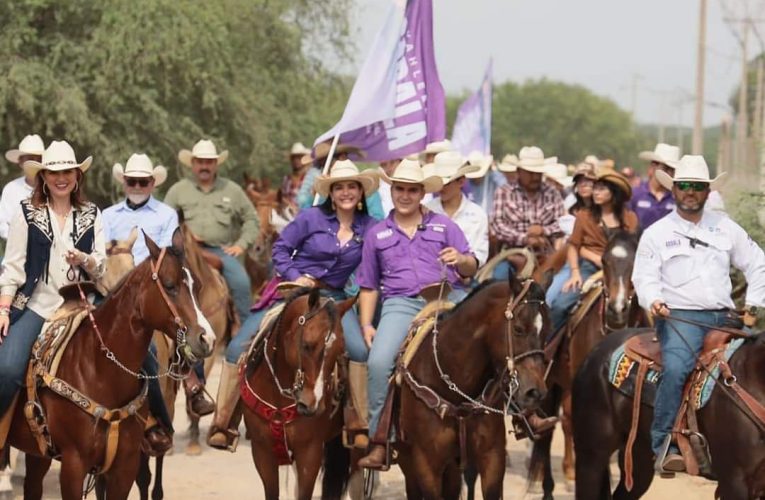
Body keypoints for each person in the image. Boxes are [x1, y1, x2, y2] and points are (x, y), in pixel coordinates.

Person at [207, 160, 379, 450]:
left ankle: (357, 422)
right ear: (331, 192)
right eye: (340, 187)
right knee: (237, 347)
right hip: (291, 292)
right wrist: (297, 277)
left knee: (359, 350)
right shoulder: (311, 218)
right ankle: (224, 421)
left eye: (352, 187)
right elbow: (281, 249)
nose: (346, 192)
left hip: (334, 298)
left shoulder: (371, 228)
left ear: (361, 192)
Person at [632, 155, 765, 474]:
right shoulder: (656, 233)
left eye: (697, 186)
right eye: (684, 186)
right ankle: (665, 443)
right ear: (675, 190)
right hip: (679, 318)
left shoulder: (726, 228)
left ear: (707, 192)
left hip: (726, 316)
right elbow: (643, 276)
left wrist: (754, 304)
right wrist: (654, 299)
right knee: (677, 369)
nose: (690, 192)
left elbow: (758, 263)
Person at [355, 159, 478, 468]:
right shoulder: (377, 234)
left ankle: (506, 418)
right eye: (400, 189)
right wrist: (367, 323)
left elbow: (471, 267)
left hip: (449, 297)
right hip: (402, 303)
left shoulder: (444, 225)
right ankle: (382, 439)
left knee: (489, 343)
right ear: (392, 190)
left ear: (423, 193)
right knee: (380, 361)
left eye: (412, 190)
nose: (405, 195)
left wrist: (460, 259)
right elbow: (368, 285)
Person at [0, 141, 105, 420]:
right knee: (8, 368)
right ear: (43, 177)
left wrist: (84, 259)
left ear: (77, 176)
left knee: (146, 352)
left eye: (67, 172)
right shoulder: (25, 213)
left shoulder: (92, 214)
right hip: (38, 304)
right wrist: (4, 310)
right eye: (54, 173)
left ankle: (154, 426)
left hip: (84, 304)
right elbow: (11, 268)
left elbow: (101, 268)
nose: (61, 179)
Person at [102, 153, 178, 451]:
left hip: (153, 290)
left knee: (184, 331)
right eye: (131, 181)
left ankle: (168, 409)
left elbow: (169, 256)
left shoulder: (166, 214)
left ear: (152, 184)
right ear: (124, 182)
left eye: (142, 181)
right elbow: (100, 253)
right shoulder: (107, 215)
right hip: (110, 288)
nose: (136, 185)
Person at [164, 139, 258, 322]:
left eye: (209, 162)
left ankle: (246, 332)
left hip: (219, 252)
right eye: (200, 162)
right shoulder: (178, 190)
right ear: (193, 164)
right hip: (184, 251)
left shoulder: (232, 190)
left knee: (241, 283)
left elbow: (252, 219)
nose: (204, 166)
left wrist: (241, 245)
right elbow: (162, 220)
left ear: (216, 164)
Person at [548, 169, 638, 334]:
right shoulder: (584, 216)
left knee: (646, 307)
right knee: (560, 305)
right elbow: (573, 246)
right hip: (589, 269)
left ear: (614, 193)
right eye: (596, 188)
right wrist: (575, 273)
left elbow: (633, 248)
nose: (596, 192)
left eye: (602, 189)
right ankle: (549, 349)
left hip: (622, 271)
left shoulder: (629, 218)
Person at [489, 146, 565, 280]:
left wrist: (543, 230)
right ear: (519, 171)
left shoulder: (552, 193)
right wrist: (524, 238)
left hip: (546, 254)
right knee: (499, 280)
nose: (535, 177)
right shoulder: (504, 192)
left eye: (538, 173)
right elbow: (497, 225)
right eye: (530, 173)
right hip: (513, 253)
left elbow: (562, 223)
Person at [544, 163, 599, 307]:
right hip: (571, 258)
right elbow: (571, 241)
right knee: (548, 297)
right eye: (580, 182)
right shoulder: (571, 208)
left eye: (588, 182)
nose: (584, 185)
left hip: (595, 262)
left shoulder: (603, 211)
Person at [424, 151, 488, 266]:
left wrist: (465, 263)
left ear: (461, 181)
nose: (441, 188)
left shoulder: (478, 214)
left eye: (447, 183)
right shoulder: (426, 210)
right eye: (439, 182)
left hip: (468, 274)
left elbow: (480, 255)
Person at [296, 141, 385, 219]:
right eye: (322, 164)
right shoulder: (321, 192)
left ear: (342, 157)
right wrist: (312, 196)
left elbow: (378, 219)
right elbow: (304, 216)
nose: (326, 167)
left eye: (328, 161)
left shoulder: (364, 187)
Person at [0, 135, 44, 241]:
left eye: (38, 159)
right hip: (17, 251)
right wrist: (19, 239)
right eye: (30, 159)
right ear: (20, 162)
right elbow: (2, 223)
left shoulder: (53, 188)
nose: (34, 163)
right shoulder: (11, 189)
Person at [631, 143, 680, 229]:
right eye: (666, 168)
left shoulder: (677, 197)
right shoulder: (635, 194)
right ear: (653, 166)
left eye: (672, 170)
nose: (669, 173)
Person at [280, 142, 311, 209]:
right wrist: (290, 205)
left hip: (305, 212)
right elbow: (283, 197)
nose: (296, 161)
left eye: (299, 158)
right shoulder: (287, 179)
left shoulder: (309, 178)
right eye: (294, 158)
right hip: (288, 212)